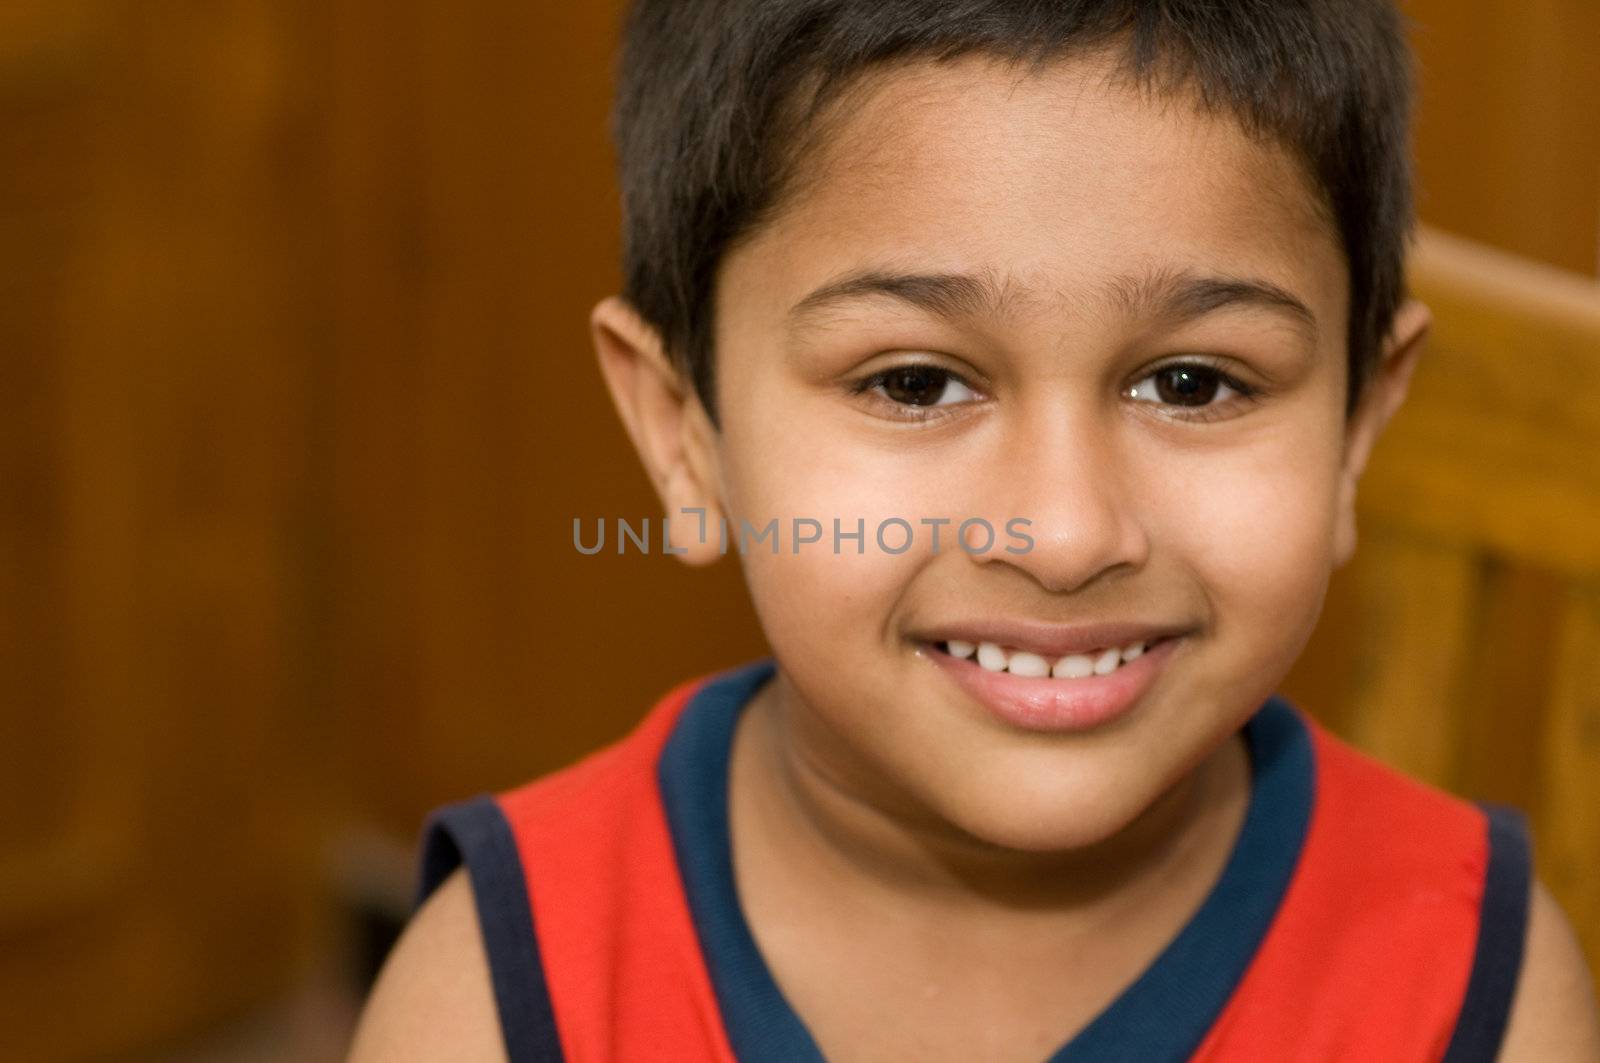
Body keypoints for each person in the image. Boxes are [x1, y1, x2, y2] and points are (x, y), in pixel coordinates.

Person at [350, 2, 1600, 1059]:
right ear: (684, 429)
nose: (1061, 535)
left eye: (1192, 383)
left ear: (1355, 431)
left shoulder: (1481, 996)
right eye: (913, 383)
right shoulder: (510, 999)